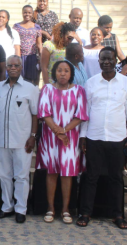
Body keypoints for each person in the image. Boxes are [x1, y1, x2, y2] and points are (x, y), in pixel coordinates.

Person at [77, 47, 127, 229]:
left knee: (116, 179)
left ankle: (118, 215)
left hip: (117, 138)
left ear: (115, 61)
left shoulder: (126, 83)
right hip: (94, 137)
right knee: (91, 177)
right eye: (103, 59)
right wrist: (83, 135)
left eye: (110, 59)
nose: (106, 62)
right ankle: (85, 212)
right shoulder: (91, 82)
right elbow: (85, 112)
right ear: (99, 61)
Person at [37, 60, 88, 224]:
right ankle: (50, 208)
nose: (63, 73)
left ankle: (65, 209)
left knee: (67, 173)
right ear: (54, 72)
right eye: (59, 70)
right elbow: (44, 112)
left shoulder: (79, 91)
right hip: (50, 138)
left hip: (70, 139)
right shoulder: (47, 89)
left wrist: (64, 131)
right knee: (51, 172)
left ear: (71, 73)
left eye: (66, 71)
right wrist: (57, 131)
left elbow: (80, 115)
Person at [0, 56, 39, 223]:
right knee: (4, 175)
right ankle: (7, 207)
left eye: (16, 65)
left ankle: (21, 209)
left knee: (21, 176)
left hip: (22, 140)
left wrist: (33, 136)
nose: (12, 68)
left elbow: (35, 114)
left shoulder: (30, 88)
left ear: (21, 68)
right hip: (3, 140)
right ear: (5, 67)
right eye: (9, 65)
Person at [13, 5, 42, 85]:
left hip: (32, 56)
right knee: (19, 79)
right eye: (25, 12)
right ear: (22, 13)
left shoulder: (36, 27)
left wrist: (41, 58)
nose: (27, 14)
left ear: (32, 14)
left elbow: (39, 44)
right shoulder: (16, 27)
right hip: (20, 56)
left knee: (31, 80)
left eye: (29, 13)